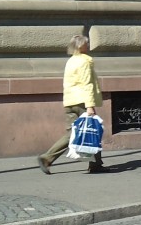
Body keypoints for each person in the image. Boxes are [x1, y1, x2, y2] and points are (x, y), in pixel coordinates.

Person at [38, 34, 105, 174]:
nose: (89, 45)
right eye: (87, 43)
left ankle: (95, 164)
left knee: (75, 133)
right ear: (82, 46)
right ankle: (47, 157)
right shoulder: (85, 61)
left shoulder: (70, 61)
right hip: (82, 101)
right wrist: (89, 105)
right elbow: (87, 84)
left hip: (69, 101)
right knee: (92, 131)